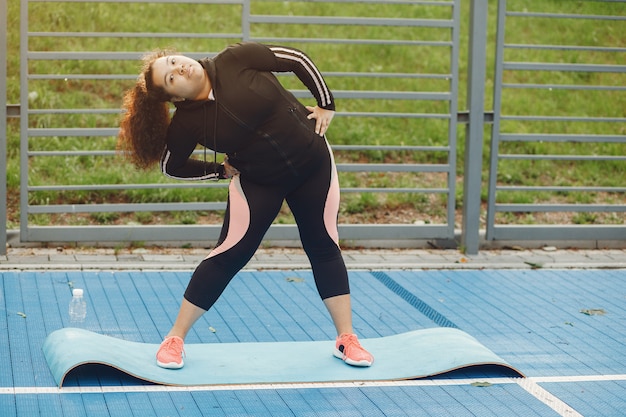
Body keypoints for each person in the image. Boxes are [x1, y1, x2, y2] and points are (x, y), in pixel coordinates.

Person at [118, 42, 374, 369]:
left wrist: (325, 104)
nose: (178, 69)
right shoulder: (186, 124)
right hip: (259, 182)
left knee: (324, 246)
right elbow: (171, 166)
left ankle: (347, 339)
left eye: (173, 62)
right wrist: (217, 170)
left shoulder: (234, 59)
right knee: (228, 255)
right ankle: (174, 339)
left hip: (313, 165)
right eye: (170, 78)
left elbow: (296, 60)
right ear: (176, 98)